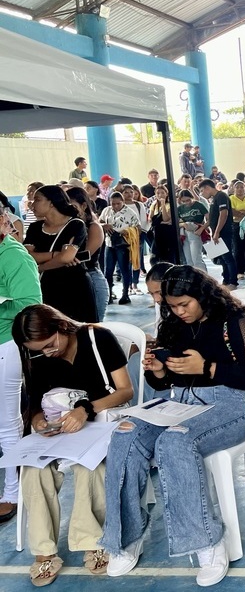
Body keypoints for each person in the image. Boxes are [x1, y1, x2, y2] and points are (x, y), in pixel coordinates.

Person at [100, 266, 245, 586]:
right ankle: (127, 535)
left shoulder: (237, 320)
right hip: (179, 404)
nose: (179, 311)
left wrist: (207, 367)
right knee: (124, 434)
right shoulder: (174, 323)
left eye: (184, 305)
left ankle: (206, 541)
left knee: (173, 442)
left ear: (202, 295)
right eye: (173, 306)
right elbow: (163, 384)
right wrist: (158, 371)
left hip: (230, 406)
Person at [14, 305, 134, 587]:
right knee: (33, 469)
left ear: (61, 327)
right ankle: (44, 552)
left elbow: (125, 390)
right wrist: (39, 420)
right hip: (62, 431)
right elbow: (33, 401)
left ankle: (93, 541)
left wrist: (85, 411)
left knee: (89, 467)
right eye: (38, 349)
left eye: (49, 344)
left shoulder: (98, 339)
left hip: (103, 420)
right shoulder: (38, 356)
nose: (47, 352)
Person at [0, 206, 41, 526]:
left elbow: (30, 304)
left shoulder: (13, 255)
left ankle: (13, 493)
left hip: (5, 344)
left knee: (7, 422)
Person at [24, 185, 98, 323]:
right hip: (48, 286)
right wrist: (56, 255)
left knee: (81, 331)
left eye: (37, 200)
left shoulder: (75, 224)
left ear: (52, 202)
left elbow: (67, 257)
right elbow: (28, 256)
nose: (32, 205)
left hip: (75, 286)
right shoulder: (34, 228)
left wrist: (40, 267)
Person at [67, 187, 109, 320]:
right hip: (70, 280)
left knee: (93, 329)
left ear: (84, 205)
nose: (68, 209)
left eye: (72, 205)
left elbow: (85, 256)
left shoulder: (93, 227)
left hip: (91, 278)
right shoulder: (66, 227)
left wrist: (58, 258)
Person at [99, 192, 141, 306]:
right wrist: (104, 225)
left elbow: (138, 228)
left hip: (123, 244)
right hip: (109, 243)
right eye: (113, 204)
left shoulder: (130, 213)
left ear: (122, 202)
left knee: (124, 270)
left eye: (118, 203)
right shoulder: (107, 210)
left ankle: (125, 294)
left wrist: (126, 232)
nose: (116, 206)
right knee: (108, 271)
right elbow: (99, 221)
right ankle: (109, 294)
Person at [199, 179, 239, 289]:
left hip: (224, 232)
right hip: (218, 232)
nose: (202, 193)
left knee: (228, 257)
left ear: (208, 188)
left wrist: (217, 232)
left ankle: (233, 281)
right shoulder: (214, 199)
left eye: (202, 190)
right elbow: (213, 218)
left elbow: (223, 214)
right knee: (222, 258)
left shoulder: (221, 196)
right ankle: (226, 279)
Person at [177, 190, 209, 273]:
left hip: (196, 231)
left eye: (188, 200)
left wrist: (202, 229)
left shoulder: (198, 205)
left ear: (192, 198)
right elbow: (175, 222)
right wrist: (183, 224)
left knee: (196, 259)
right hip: (184, 233)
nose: (186, 203)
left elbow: (209, 219)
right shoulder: (180, 208)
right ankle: (192, 278)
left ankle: (204, 278)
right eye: (183, 201)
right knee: (188, 260)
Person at [228, 180, 245, 278]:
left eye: (241, 187)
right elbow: (233, 212)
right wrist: (244, 213)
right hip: (236, 225)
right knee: (238, 248)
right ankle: (240, 271)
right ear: (233, 189)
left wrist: (242, 212)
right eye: (237, 187)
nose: (240, 189)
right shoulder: (231, 198)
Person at [148, 185, 178, 266]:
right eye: (158, 193)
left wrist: (163, 204)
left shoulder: (169, 204)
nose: (160, 195)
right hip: (157, 233)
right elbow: (150, 218)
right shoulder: (154, 204)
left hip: (167, 233)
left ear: (166, 193)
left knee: (168, 255)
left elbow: (166, 219)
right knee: (155, 255)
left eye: (162, 193)